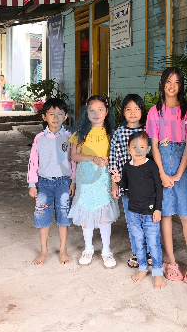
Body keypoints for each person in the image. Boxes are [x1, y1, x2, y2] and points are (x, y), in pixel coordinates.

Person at [147, 67, 187, 284]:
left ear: (181, 86)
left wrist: (178, 174)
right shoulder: (154, 112)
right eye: (169, 81)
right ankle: (170, 260)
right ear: (162, 84)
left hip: (182, 167)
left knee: (186, 215)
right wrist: (161, 173)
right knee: (166, 214)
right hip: (161, 165)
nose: (172, 86)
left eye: (177, 82)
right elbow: (154, 147)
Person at [68, 95, 119, 268]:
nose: (96, 114)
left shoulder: (111, 133)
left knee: (104, 213)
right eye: (92, 110)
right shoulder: (80, 133)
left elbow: (115, 156)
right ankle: (88, 248)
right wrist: (93, 158)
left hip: (104, 177)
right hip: (86, 176)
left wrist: (113, 174)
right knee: (86, 211)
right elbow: (74, 156)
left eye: (100, 110)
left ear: (107, 112)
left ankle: (106, 251)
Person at [27, 98, 76, 266]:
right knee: (42, 215)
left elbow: (73, 162)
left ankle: (63, 249)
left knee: (63, 215)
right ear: (44, 117)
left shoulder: (69, 138)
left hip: (64, 182)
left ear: (66, 116)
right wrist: (32, 184)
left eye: (60, 114)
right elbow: (33, 162)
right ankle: (43, 250)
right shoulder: (39, 138)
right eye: (51, 114)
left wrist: (73, 181)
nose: (55, 118)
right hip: (43, 183)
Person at [112, 131, 165, 289]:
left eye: (142, 147)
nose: (138, 150)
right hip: (134, 212)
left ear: (148, 149)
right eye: (134, 147)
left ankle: (157, 272)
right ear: (128, 149)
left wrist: (158, 209)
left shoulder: (151, 166)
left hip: (150, 212)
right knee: (138, 242)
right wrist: (118, 181)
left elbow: (159, 189)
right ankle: (142, 268)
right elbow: (126, 186)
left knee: (153, 243)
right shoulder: (127, 167)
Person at [109, 93, 149, 268]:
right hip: (127, 185)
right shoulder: (119, 133)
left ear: (142, 111)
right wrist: (114, 184)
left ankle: (149, 251)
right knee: (133, 221)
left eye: (137, 109)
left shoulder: (148, 130)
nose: (133, 112)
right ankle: (137, 252)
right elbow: (113, 159)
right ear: (123, 112)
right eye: (128, 109)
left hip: (147, 186)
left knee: (147, 219)